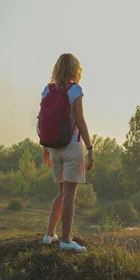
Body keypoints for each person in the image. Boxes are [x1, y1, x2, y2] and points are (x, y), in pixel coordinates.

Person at [40, 53, 94, 251]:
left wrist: (46, 149)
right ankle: (65, 240)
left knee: (62, 192)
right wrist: (90, 148)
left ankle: (49, 235)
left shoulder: (48, 90)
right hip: (72, 147)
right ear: (75, 69)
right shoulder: (75, 90)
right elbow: (80, 121)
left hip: (54, 148)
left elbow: (42, 121)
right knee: (70, 194)